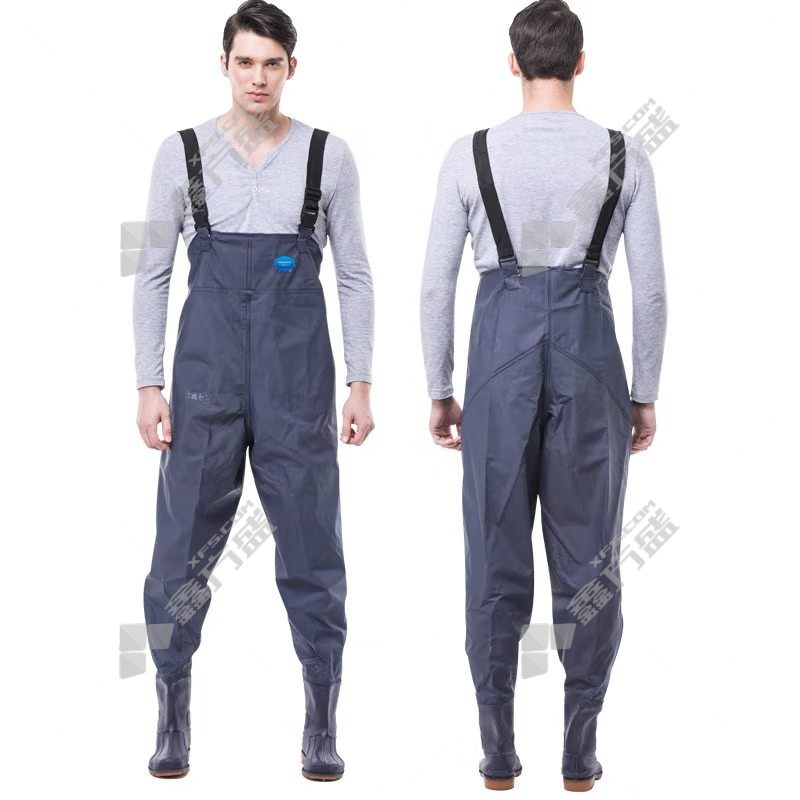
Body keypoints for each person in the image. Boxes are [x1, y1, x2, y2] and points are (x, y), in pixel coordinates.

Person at [420, 0, 666, 791]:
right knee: (590, 559)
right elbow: (650, 292)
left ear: (513, 64)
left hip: (497, 358)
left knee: (493, 555)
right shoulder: (625, 154)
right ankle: (579, 750)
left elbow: (436, 286)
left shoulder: (470, 154)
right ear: (581, 63)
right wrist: (644, 392)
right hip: (594, 361)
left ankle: (497, 749)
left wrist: (440, 388)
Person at [132, 0, 375, 781]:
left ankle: (322, 722)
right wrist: (148, 383)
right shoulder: (181, 154)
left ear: (291, 68)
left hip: (297, 384)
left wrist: (361, 382)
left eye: (272, 64)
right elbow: (153, 273)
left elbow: (355, 275)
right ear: (225, 65)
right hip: (203, 383)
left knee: (313, 550)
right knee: (180, 552)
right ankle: (172, 714)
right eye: (245, 62)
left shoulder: (328, 157)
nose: (258, 78)